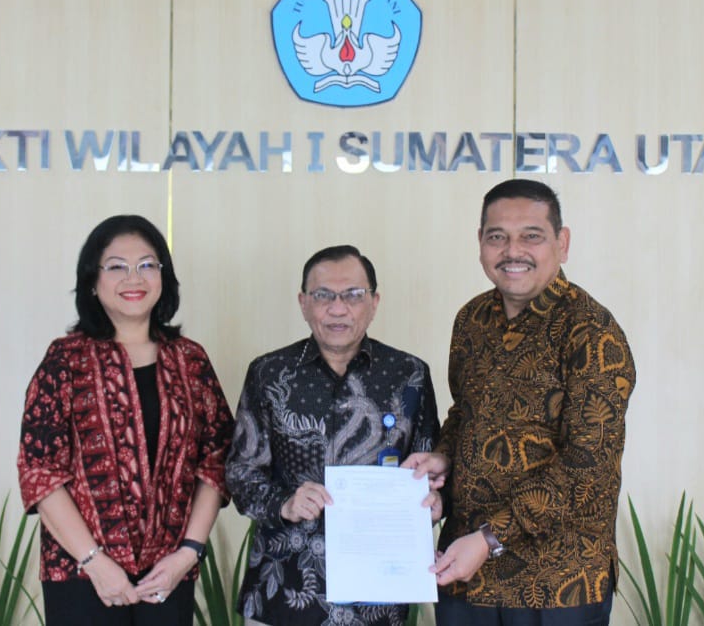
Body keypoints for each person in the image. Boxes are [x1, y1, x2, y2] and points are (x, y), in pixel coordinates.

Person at [405, 179, 635, 625]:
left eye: (531, 235)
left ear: (561, 243)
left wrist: (490, 539)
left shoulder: (591, 333)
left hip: (558, 583)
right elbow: (465, 413)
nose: (513, 251)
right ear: (480, 243)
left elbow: (587, 467)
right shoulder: (472, 320)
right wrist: (444, 457)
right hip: (465, 575)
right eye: (497, 236)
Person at [17, 215, 235, 626]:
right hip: (81, 574)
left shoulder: (190, 359)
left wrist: (189, 552)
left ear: (163, 278)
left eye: (147, 265)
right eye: (116, 266)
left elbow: (218, 459)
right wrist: (96, 563)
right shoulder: (66, 359)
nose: (133, 278)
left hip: (168, 573)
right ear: (92, 281)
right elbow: (40, 471)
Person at [225, 245, 442, 626]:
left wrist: (434, 501)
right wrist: (284, 503)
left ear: (374, 302)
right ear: (303, 303)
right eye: (323, 295)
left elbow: (431, 468)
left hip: (378, 601)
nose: (337, 308)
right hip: (282, 592)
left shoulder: (410, 374)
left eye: (353, 295)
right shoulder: (269, 373)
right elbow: (240, 473)